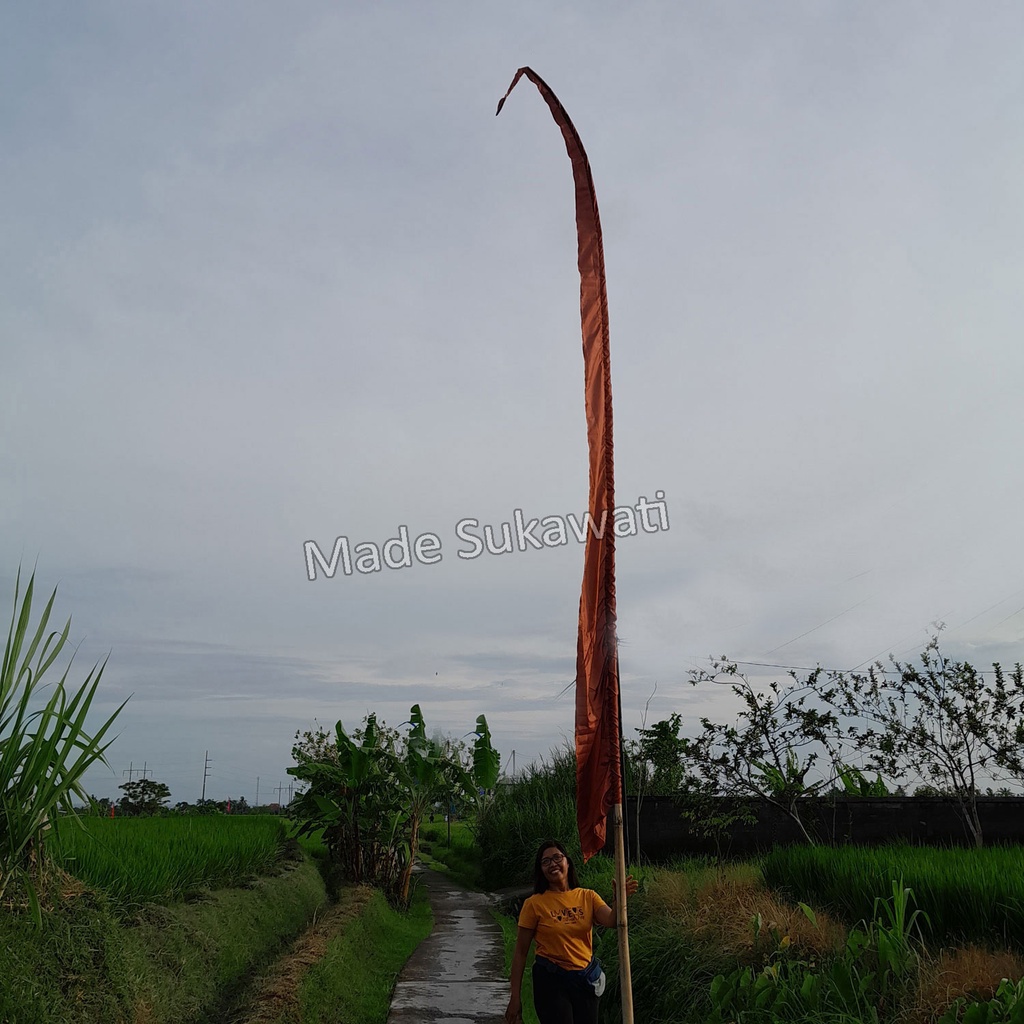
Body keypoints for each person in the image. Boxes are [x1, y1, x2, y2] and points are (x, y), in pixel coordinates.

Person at [504, 839, 638, 1024]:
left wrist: (618, 899)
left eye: (557, 858)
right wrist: (515, 999)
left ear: (568, 862)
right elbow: (520, 953)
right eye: (546, 861)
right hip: (551, 980)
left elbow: (612, 920)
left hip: (584, 980)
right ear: (540, 870)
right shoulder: (534, 904)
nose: (553, 864)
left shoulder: (588, 896)